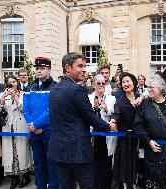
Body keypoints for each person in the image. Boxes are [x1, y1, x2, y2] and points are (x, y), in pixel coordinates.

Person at [48, 52, 117, 189]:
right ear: (67, 68)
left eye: (85, 66)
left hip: (58, 150)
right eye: (80, 66)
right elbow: (91, 117)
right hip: (78, 150)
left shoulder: (54, 89)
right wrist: (109, 127)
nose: (84, 69)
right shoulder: (77, 90)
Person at [23, 57, 59, 189]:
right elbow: (25, 109)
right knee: (38, 163)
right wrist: (32, 125)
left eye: (42, 68)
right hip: (34, 132)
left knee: (51, 164)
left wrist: (36, 125)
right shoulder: (29, 87)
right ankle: (40, 186)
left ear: (49, 69)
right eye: (37, 68)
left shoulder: (55, 87)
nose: (39, 71)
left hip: (49, 131)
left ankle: (53, 186)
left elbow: (51, 110)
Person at [0, 75, 32, 189]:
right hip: (8, 127)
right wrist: (2, 98)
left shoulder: (23, 94)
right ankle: (14, 178)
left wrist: (14, 97)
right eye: (9, 82)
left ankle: (26, 176)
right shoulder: (2, 94)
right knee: (9, 152)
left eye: (14, 81)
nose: (12, 84)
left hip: (20, 126)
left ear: (17, 83)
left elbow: (24, 109)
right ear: (6, 83)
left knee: (22, 151)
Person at [111, 72, 141, 189]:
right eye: (123, 82)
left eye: (128, 81)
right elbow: (116, 113)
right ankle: (124, 185)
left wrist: (142, 97)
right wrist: (113, 121)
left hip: (139, 135)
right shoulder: (120, 100)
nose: (125, 84)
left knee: (138, 161)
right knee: (124, 163)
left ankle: (136, 183)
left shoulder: (141, 96)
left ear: (134, 82)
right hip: (125, 137)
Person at [88, 74, 117, 189]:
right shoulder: (88, 98)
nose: (101, 85)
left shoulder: (111, 98)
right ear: (93, 84)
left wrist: (105, 108)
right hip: (93, 136)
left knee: (106, 164)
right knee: (94, 164)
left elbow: (115, 114)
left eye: (103, 83)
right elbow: (87, 115)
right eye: (98, 83)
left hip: (106, 136)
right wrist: (95, 109)